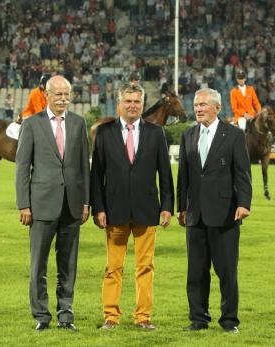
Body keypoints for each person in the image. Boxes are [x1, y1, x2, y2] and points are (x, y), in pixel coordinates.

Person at [90, 83, 174, 331]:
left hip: (147, 210)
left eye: (137, 101)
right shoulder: (104, 133)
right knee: (113, 268)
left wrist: (167, 205)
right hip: (114, 212)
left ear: (142, 104)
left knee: (145, 266)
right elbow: (97, 175)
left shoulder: (156, 133)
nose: (132, 105)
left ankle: (143, 317)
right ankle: (110, 317)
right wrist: (99, 208)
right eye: (128, 101)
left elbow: (165, 174)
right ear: (119, 103)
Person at [15, 75, 90, 332]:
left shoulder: (79, 124)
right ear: (47, 95)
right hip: (41, 205)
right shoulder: (32, 124)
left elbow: (84, 168)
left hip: (72, 204)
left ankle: (66, 315)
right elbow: (23, 167)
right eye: (57, 94)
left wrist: (86, 202)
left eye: (66, 95)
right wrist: (23, 204)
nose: (62, 99)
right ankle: (41, 315)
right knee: (39, 264)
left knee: (68, 264)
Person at [176, 88, 252, 334]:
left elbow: (242, 174)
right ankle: (198, 318)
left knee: (227, 271)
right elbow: (184, 176)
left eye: (203, 105)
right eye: (196, 105)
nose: (198, 109)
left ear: (217, 108)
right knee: (196, 272)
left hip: (225, 214)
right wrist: (181, 207)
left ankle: (229, 320)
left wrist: (244, 203)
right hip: (195, 214)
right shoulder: (188, 135)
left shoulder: (233, 135)